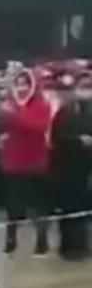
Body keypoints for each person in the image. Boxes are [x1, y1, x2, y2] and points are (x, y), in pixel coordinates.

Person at [0, 67, 53, 256]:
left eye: (25, 84)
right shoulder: (9, 104)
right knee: (12, 205)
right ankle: (10, 240)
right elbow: (2, 126)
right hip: (13, 163)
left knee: (38, 205)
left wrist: (13, 116)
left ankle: (42, 241)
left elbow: (37, 126)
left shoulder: (42, 104)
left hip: (35, 163)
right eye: (18, 84)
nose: (21, 88)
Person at [50, 71, 92, 261]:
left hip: (84, 168)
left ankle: (81, 244)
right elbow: (56, 138)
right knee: (69, 209)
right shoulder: (63, 113)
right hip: (67, 168)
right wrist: (78, 140)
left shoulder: (87, 112)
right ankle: (68, 248)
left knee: (82, 208)